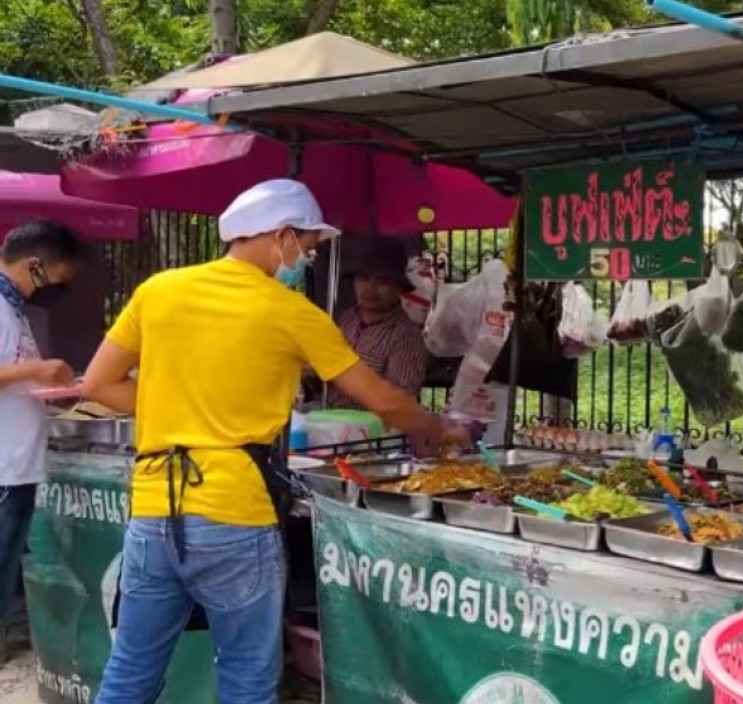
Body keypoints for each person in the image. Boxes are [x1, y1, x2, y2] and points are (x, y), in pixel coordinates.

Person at [82, 180, 469, 704]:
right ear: (282, 236)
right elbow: (385, 402)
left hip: (152, 512)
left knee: (130, 672)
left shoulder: (159, 291)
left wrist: (182, 409)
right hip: (234, 516)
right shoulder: (291, 311)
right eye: (307, 249)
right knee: (246, 677)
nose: (305, 262)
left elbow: (98, 385)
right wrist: (441, 429)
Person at [0, 221, 81, 631]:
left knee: (8, 558)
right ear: (34, 265)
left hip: (18, 460)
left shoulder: (13, 308)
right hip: (3, 464)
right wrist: (36, 368)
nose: (52, 288)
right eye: (53, 278)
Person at [325, 236, 428, 409]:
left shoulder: (405, 335)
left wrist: (343, 378)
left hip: (374, 432)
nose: (370, 288)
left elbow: (399, 399)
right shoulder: (347, 319)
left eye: (383, 281)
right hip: (331, 424)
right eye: (363, 278)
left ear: (398, 289)